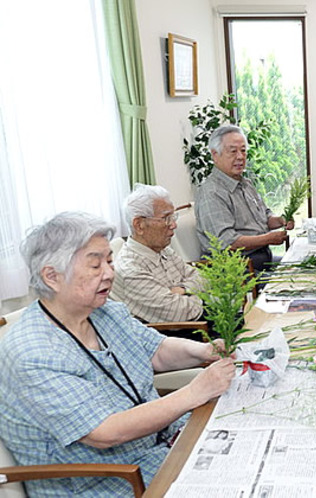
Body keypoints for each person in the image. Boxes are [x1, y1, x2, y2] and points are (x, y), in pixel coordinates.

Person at [0, 212, 235, 496]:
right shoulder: (32, 353)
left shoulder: (105, 312)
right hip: (106, 480)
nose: (110, 273)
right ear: (52, 277)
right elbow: (105, 432)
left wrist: (205, 351)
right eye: (95, 265)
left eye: (109, 261)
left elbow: (157, 350)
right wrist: (195, 391)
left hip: (158, 446)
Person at [195, 124, 293, 273]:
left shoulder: (245, 183)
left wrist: (281, 220)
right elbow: (228, 242)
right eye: (233, 151)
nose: (240, 157)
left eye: (243, 150)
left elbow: (265, 217)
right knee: (292, 281)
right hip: (236, 269)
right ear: (215, 155)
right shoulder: (212, 193)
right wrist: (268, 239)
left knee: (306, 268)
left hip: (261, 260)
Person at [110, 184, 204, 326]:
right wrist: (201, 295)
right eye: (166, 218)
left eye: (173, 217)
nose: (173, 225)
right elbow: (181, 313)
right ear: (139, 225)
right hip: (181, 334)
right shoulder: (130, 270)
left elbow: (202, 278)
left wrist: (183, 290)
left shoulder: (163, 250)